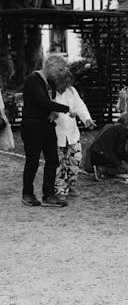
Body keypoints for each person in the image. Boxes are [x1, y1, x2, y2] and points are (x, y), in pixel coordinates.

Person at [21, 53, 71, 207]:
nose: (61, 73)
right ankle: (27, 193)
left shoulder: (50, 82)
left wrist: (54, 111)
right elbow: (43, 102)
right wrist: (65, 109)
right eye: (60, 69)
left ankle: (48, 194)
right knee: (32, 161)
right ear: (51, 66)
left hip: (47, 126)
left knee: (52, 160)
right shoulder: (33, 80)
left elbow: (50, 101)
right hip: (32, 126)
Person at [53, 69, 95, 197]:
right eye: (64, 83)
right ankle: (60, 188)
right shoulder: (50, 94)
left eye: (68, 83)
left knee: (75, 160)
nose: (67, 85)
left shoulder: (71, 91)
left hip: (72, 133)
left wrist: (86, 118)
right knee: (59, 163)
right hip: (57, 133)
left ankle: (71, 185)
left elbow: (80, 106)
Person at [86, 114, 128, 179]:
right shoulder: (123, 129)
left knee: (119, 163)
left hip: (94, 154)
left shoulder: (108, 126)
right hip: (103, 154)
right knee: (125, 168)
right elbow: (120, 151)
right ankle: (101, 169)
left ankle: (97, 168)